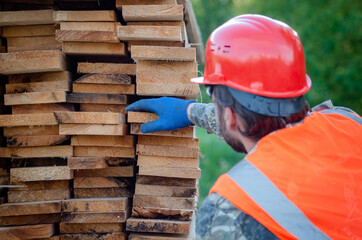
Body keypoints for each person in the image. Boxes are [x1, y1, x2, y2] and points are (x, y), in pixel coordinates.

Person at [126, 14, 362, 239]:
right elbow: (274, 123)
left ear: (230, 116)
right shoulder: (347, 120)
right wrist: (189, 112)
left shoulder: (230, 210)